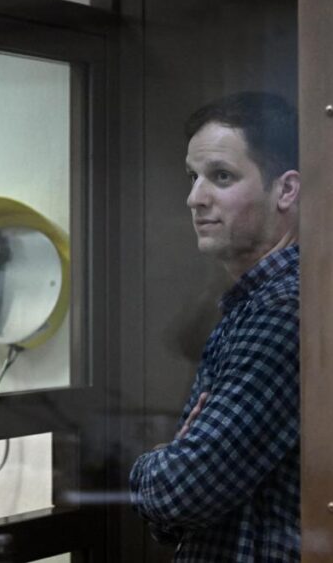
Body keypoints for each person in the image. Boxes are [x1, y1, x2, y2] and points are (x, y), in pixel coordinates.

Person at [129, 91, 301, 561]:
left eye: (221, 176)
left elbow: (182, 492)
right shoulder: (253, 302)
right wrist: (177, 466)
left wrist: (152, 465)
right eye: (193, 177)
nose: (195, 198)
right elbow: (179, 514)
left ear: (286, 190)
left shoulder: (283, 311)